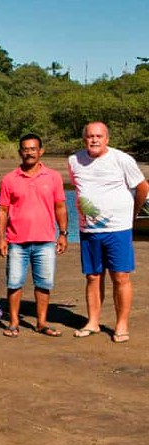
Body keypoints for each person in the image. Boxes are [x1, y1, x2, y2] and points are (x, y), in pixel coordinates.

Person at [68, 121, 148, 343]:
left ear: (107, 139)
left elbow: (142, 187)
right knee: (93, 276)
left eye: (99, 136)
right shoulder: (74, 160)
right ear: (84, 139)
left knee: (120, 277)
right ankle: (93, 322)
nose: (94, 140)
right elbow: (80, 188)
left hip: (118, 229)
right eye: (90, 136)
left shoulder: (121, 159)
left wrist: (133, 213)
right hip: (89, 230)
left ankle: (121, 324)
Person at [0, 133, 68, 338]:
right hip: (17, 241)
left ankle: (42, 322)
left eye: (33, 149)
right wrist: (1, 238)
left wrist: (63, 234)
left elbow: (60, 207)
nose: (29, 153)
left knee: (44, 283)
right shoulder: (10, 179)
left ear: (40, 151)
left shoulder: (53, 177)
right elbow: (2, 210)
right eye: (25, 149)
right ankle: (14, 322)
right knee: (14, 282)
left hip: (45, 240)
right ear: (20, 152)